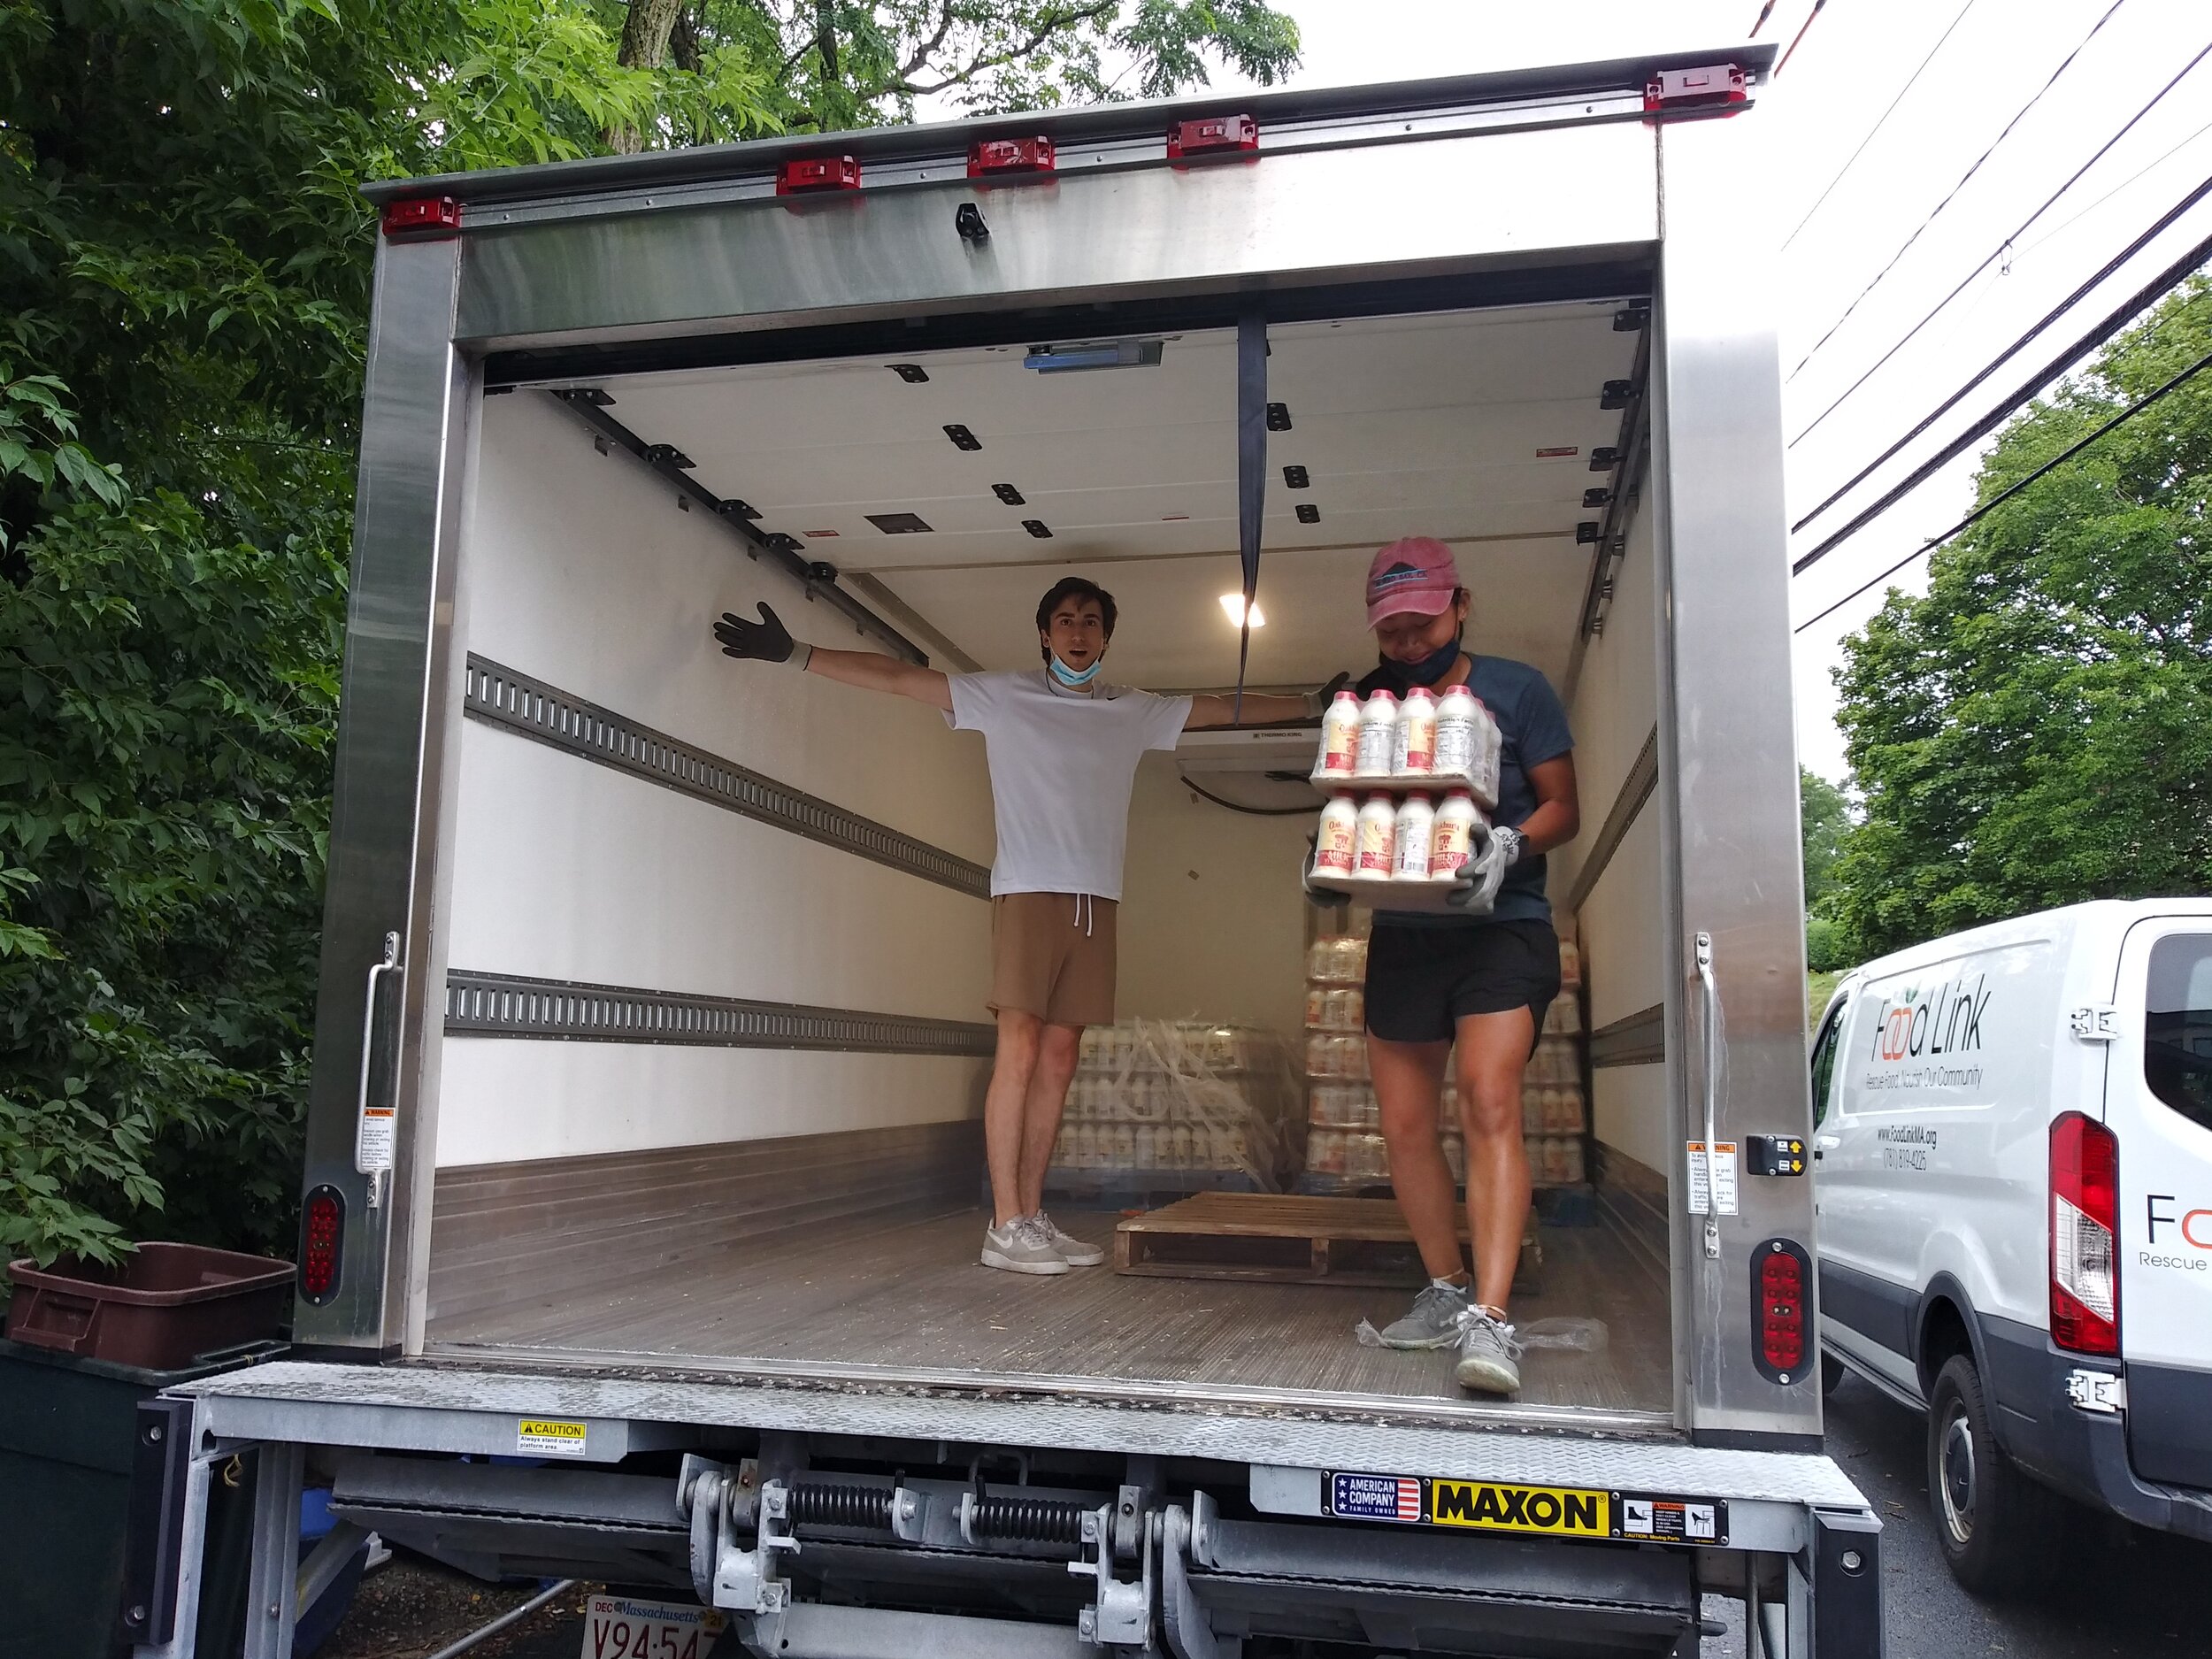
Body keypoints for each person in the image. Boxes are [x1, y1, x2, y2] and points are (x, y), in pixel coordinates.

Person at [713, 577, 1327, 1275]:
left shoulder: (1131, 709)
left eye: (1091, 622)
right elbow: (898, 678)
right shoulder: (1002, 696)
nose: (1078, 632)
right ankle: (1005, 1224)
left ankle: (1032, 1215)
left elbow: (1220, 709)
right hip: (1029, 891)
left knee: (1062, 1059)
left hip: (1097, 900)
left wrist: (1313, 703)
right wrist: (797, 653)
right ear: (1044, 633)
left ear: (1105, 637)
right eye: (1064, 620)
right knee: (1021, 1049)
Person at [1353, 536, 1580, 1394]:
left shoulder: (1517, 689)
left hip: (1502, 921)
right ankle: (1444, 1290)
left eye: (1421, 624)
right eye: (1393, 629)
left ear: (1460, 606)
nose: (1408, 642)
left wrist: (1516, 839)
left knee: (1488, 1097)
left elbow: (1564, 802)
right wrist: (1336, 857)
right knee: (1406, 1125)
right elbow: (1353, 806)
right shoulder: (1367, 700)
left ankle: (1489, 1319)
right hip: (1407, 933)